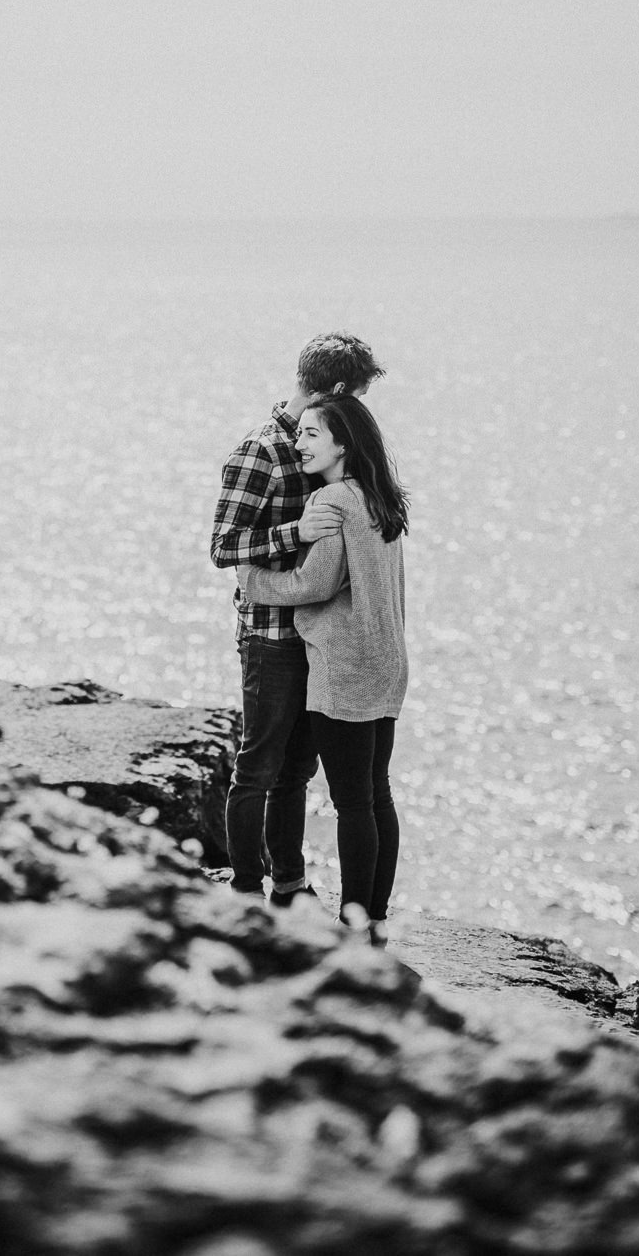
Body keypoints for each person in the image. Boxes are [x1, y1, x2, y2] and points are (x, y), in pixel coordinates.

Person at [209, 332, 385, 907]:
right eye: (357, 396)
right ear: (335, 391)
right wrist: (294, 533)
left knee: (297, 773)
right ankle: (243, 891)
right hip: (269, 637)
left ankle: (289, 882)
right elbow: (222, 545)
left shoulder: (330, 445)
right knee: (258, 766)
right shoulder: (260, 451)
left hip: (319, 640)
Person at [236, 391, 409, 944]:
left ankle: (354, 924)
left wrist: (253, 580)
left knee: (352, 802)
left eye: (312, 433)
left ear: (343, 443)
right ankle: (374, 918)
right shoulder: (380, 496)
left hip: (342, 667)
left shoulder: (331, 501)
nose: (298, 441)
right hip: (386, 662)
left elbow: (314, 584)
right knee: (376, 793)